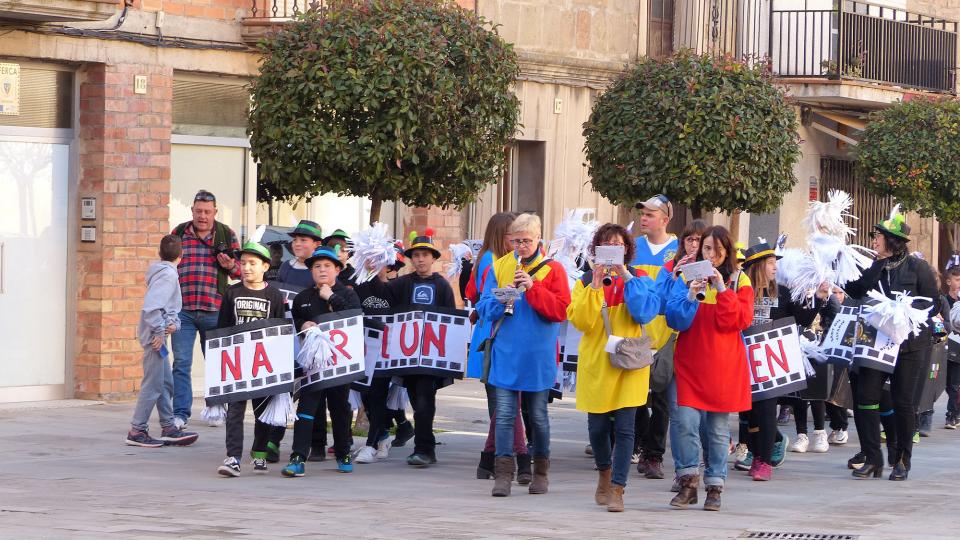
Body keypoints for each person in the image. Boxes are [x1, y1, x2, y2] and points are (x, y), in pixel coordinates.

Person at [477, 213, 571, 497]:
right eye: (515, 241)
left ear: (538, 239)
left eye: (526, 241)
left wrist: (534, 288)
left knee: (539, 416)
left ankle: (540, 471)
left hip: (538, 355)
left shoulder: (553, 269)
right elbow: (482, 309)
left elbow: (560, 311)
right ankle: (503, 474)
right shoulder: (499, 266)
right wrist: (499, 299)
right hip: (507, 352)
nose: (521, 246)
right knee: (504, 415)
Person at [568, 223, 660, 512]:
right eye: (607, 245)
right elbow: (581, 322)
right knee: (596, 428)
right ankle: (604, 473)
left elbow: (645, 311)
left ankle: (618, 488)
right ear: (597, 249)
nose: (612, 250)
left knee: (625, 429)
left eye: (618, 246)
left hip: (629, 363)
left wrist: (627, 277)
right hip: (597, 362)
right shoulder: (585, 281)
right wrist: (596, 285)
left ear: (627, 249)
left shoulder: (640, 278)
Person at [844, 210, 937, 481]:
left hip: (909, 345)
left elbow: (930, 304)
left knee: (903, 402)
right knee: (865, 399)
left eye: (878, 237)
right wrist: (876, 265)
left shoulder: (918, 268)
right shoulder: (874, 265)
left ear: (893, 241)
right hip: (875, 344)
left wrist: (903, 313)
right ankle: (873, 458)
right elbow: (857, 291)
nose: (874, 241)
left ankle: (901, 459)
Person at [665, 226, 753, 511]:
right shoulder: (687, 275)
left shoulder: (740, 280)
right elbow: (674, 319)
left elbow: (738, 321)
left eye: (716, 249)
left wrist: (721, 289)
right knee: (685, 423)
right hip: (690, 364)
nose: (710, 255)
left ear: (727, 252)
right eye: (706, 249)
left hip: (723, 366)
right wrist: (691, 295)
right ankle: (688, 481)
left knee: (716, 431)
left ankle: (715, 486)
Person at [740, 241, 830, 481]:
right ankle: (757, 451)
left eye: (775, 264)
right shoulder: (741, 289)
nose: (774, 268)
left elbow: (801, 318)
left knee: (767, 410)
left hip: (771, 363)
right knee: (748, 413)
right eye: (770, 263)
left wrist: (819, 299)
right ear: (757, 266)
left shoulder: (783, 292)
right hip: (742, 360)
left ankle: (764, 460)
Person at [464, 213, 533, 483]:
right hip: (494, 332)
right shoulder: (493, 261)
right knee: (503, 405)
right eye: (514, 236)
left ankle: (489, 458)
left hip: (497, 332)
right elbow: (492, 300)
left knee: (503, 404)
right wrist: (515, 289)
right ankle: (519, 455)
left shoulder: (492, 258)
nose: (518, 242)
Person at [282, 246, 363, 477]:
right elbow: (293, 320)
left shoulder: (347, 293)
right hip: (313, 366)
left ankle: (343, 452)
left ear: (337, 269)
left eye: (327, 265)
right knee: (307, 409)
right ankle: (298, 457)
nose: (322, 270)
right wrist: (302, 325)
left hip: (340, 364)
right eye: (317, 266)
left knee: (339, 409)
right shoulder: (303, 297)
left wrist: (331, 297)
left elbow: (355, 317)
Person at [170, 190, 241, 428]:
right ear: (192, 211)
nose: (202, 216)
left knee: (217, 362)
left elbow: (241, 271)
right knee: (181, 363)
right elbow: (167, 266)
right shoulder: (178, 233)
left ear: (215, 212)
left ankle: (215, 408)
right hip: (183, 311)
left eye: (207, 212)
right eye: (198, 211)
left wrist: (231, 265)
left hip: (215, 310)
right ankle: (180, 414)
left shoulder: (226, 234)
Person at [386, 230, 457, 467]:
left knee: (426, 399)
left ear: (433, 258)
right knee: (417, 400)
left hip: (431, 358)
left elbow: (450, 320)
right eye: (416, 255)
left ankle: (424, 449)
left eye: (425, 254)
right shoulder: (402, 284)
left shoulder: (442, 286)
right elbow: (388, 308)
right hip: (407, 357)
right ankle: (426, 443)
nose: (420, 259)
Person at [216, 242, 287, 477]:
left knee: (262, 411)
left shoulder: (274, 295)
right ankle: (233, 457)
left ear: (266, 266)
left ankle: (259, 454)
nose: (246, 268)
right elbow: (223, 328)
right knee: (234, 411)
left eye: (253, 263)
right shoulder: (232, 293)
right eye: (243, 262)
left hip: (264, 364)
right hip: (237, 363)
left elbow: (280, 331)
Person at [126, 234, 199, 448]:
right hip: (155, 340)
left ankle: (169, 427)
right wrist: (159, 332)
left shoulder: (164, 273)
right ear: (181, 255)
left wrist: (171, 324)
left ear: (160, 254)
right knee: (153, 385)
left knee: (165, 382)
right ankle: (137, 430)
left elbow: (166, 308)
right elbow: (151, 307)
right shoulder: (168, 276)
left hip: (159, 339)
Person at [630, 195, 679, 481]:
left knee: (660, 397)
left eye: (650, 214)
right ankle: (637, 440)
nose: (644, 218)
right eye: (643, 214)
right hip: (636, 331)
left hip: (666, 333)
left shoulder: (676, 251)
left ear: (665, 218)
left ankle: (655, 454)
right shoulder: (633, 248)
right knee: (635, 394)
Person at [945, 264, 960, 429]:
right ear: (948, 281)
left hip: (958, 348)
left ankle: (952, 415)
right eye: (957, 280)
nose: (959, 283)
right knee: (947, 384)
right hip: (944, 346)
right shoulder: (944, 300)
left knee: (955, 383)